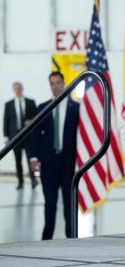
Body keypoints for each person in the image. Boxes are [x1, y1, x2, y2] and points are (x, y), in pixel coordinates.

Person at [29, 72, 79, 240]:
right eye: (52, 83)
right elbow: (34, 134)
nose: (56, 86)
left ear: (64, 83)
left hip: (68, 164)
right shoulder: (43, 107)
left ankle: (71, 237)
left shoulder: (76, 108)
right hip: (48, 164)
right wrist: (33, 157)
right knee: (49, 204)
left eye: (58, 82)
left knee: (69, 205)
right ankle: (46, 239)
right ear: (49, 85)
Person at [3, 81, 37, 189]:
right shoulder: (8, 104)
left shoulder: (30, 102)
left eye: (19, 88)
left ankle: (33, 180)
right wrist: (6, 137)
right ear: (13, 90)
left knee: (29, 159)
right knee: (18, 160)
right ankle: (20, 182)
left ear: (22, 88)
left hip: (28, 135)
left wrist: (31, 120)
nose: (18, 90)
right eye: (16, 88)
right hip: (14, 136)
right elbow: (5, 122)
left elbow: (37, 117)